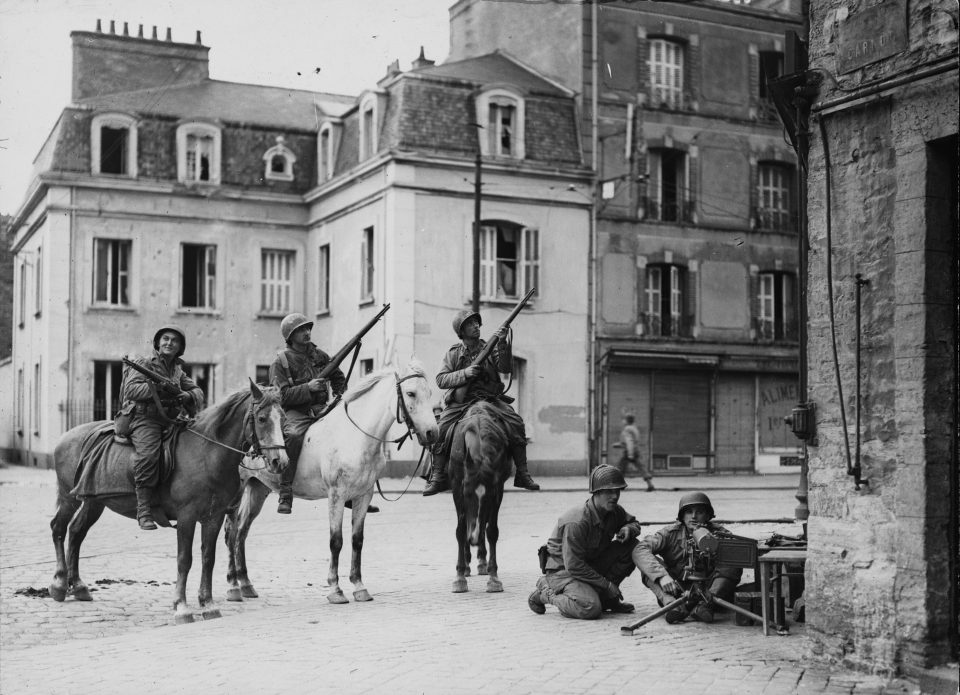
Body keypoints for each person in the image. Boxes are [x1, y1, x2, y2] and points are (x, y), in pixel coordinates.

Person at [422, 309, 539, 495]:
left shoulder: (490, 348)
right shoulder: (453, 353)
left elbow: (506, 368)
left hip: (490, 400)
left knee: (516, 422)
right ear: (461, 331)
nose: (476, 326)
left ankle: (522, 473)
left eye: (476, 322)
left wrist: (502, 342)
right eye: (470, 323)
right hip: (461, 403)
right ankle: (438, 476)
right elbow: (441, 380)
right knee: (442, 428)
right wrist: (465, 373)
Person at [527, 464, 640, 619]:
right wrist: (606, 584)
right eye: (609, 491)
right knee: (590, 608)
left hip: (588, 565)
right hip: (563, 572)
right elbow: (573, 565)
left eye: (617, 490)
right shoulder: (577, 521)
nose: (614, 496)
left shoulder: (613, 511)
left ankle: (606, 599)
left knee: (632, 547)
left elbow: (634, 523)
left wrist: (628, 529)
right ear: (596, 492)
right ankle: (544, 594)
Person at [120, 325, 204, 530]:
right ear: (158, 343)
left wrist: (187, 395)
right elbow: (130, 390)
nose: (169, 343)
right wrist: (157, 387)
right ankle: (144, 510)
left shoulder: (177, 369)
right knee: (148, 456)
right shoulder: (143, 363)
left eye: (174, 341)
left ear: (180, 347)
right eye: (165, 339)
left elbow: (197, 390)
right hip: (144, 418)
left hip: (169, 419)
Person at [269, 312, 347, 514]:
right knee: (293, 436)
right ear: (290, 336)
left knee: (348, 430)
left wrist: (340, 397)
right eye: (301, 330)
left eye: (308, 328)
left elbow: (338, 377)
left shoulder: (320, 356)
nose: (307, 332)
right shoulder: (281, 361)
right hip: (296, 412)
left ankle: (348, 491)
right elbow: (281, 397)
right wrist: (308, 388)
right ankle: (285, 492)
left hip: (323, 409)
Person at [634, 491, 743, 624]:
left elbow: (737, 555)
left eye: (699, 512)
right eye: (688, 512)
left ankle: (705, 606)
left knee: (733, 561)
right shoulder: (670, 534)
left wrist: (716, 546)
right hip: (676, 589)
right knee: (649, 567)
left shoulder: (719, 533)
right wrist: (662, 576)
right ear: (682, 516)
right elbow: (640, 549)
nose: (693, 516)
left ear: (708, 515)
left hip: (708, 589)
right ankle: (672, 605)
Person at [618, 414, 655, 491]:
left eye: (624, 419)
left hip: (629, 451)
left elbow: (629, 441)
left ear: (627, 420)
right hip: (635, 450)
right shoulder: (634, 428)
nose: (623, 421)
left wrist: (630, 454)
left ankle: (619, 485)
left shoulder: (627, 429)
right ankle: (650, 485)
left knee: (621, 468)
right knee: (641, 468)